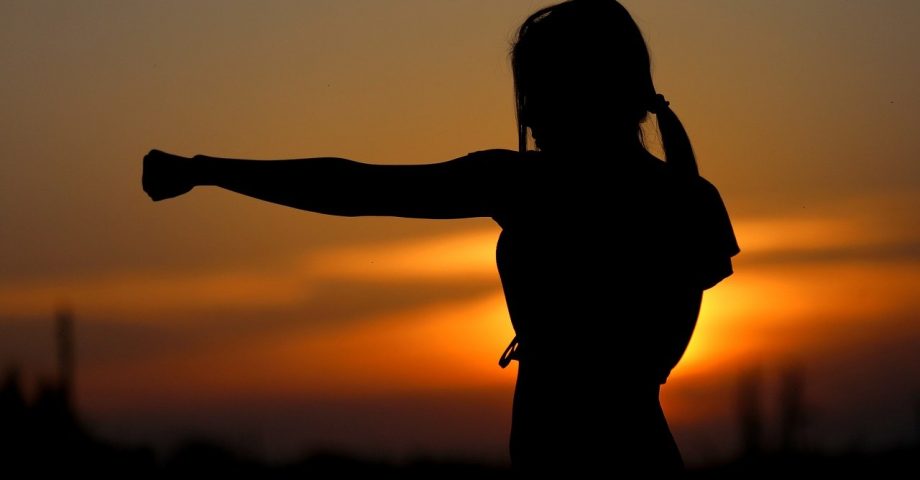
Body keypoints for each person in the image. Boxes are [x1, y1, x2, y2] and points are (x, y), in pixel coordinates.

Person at [142, 0, 739, 474]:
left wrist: (208, 170)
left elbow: (356, 189)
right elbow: (658, 352)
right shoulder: (689, 200)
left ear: (578, 93)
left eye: (537, 93)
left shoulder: (530, 188)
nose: (528, 115)